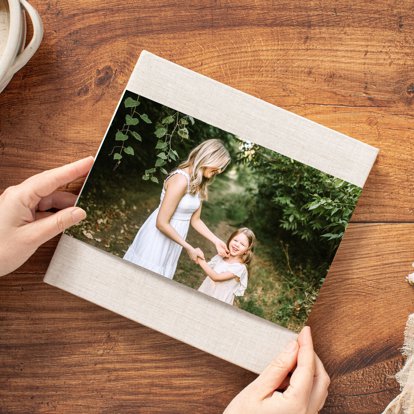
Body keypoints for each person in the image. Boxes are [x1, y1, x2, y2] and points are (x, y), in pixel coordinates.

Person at [0, 156, 330, 413]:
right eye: (234, 241)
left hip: (205, 281)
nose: (234, 246)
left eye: (241, 246)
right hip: (167, 241)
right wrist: (201, 251)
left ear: (248, 252)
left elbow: (212, 266)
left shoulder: (233, 267)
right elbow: (169, 223)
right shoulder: (182, 180)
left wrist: (200, 256)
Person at [123, 138, 231, 279]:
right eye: (219, 165)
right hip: (157, 239)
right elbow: (161, 223)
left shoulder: (197, 182)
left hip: (175, 240)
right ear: (208, 158)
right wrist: (189, 248)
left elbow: (196, 220)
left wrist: (216, 240)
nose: (220, 170)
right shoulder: (181, 180)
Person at [197, 227, 255, 305]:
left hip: (219, 302)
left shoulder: (240, 268)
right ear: (230, 239)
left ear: (247, 251)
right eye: (235, 240)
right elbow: (209, 270)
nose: (237, 245)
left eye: (242, 244)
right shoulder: (221, 257)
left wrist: (200, 260)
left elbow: (216, 277)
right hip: (205, 292)